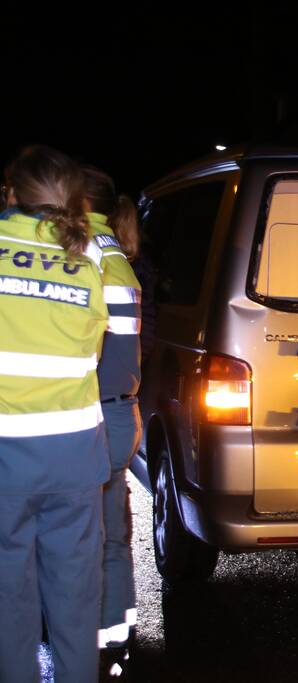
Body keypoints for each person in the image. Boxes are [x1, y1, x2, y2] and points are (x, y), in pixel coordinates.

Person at [0, 145, 109, 683]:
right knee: (74, 596)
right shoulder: (86, 259)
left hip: (6, 453)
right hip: (74, 452)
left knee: (7, 596)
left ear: (12, 193)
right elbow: (91, 353)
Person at [82, 165, 143, 680]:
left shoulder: (81, 252)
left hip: (92, 411)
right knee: (114, 537)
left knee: (75, 535)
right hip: (122, 411)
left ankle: (85, 644)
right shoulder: (118, 254)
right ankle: (118, 640)